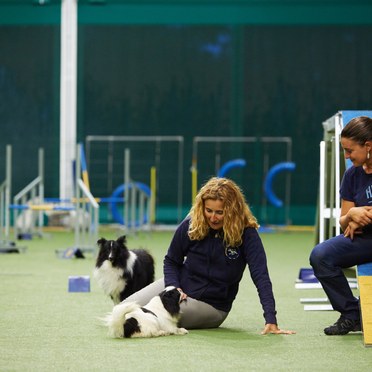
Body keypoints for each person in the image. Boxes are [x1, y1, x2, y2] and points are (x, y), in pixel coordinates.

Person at [123, 176, 295, 335]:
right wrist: (173, 286)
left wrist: (270, 319)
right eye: (208, 210)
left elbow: (261, 276)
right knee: (125, 308)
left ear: (232, 210)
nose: (213, 218)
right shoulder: (192, 223)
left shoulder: (247, 234)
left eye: (219, 212)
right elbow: (171, 260)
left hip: (211, 305)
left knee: (148, 316)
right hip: (178, 289)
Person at [310, 115, 372, 336]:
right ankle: (352, 314)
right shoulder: (352, 174)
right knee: (320, 256)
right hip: (365, 240)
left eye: (349, 150)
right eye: (344, 150)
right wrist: (354, 213)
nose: (346, 156)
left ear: (368, 145)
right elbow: (344, 219)